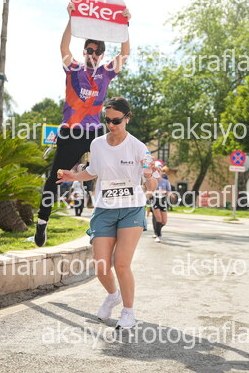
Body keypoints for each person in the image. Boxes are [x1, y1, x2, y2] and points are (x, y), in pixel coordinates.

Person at [33, 2, 131, 247]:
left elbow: (125, 54)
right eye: (89, 50)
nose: (93, 55)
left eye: (97, 52)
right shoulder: (73, 68)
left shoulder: (106, 72)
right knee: (55, 178)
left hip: (94, 132)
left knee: (110, 170)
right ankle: (42, 222)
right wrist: (71, 18)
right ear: (84, 50)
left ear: (102, 55)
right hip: (71, 132)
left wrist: (125, 25)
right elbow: (63, 47)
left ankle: (105, 222)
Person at [57, 97, 159, 329]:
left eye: (116, 121)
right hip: (104, 208)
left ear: (127, 118)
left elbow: (151, 186)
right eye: (107, 120)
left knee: (121, 264)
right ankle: (113, 295)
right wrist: (73, 176)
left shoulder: (138, 147)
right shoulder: (97, 144)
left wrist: (148, 174)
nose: (111, 125)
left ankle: (129, 312)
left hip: (131, 209)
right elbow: (93, 171)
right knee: (101, 266)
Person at [151, 168, 171, 242]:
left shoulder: (166, 182)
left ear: (162, 172)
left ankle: (157, 229)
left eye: (159, 171)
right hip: (155, 200)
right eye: (156, 171)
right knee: (158, 219)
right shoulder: (153, 181)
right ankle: (158, 236)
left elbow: (169, 191)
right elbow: (149, 190)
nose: (157, 173)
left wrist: (166, 192)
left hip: (162, 201)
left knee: (164, 221)